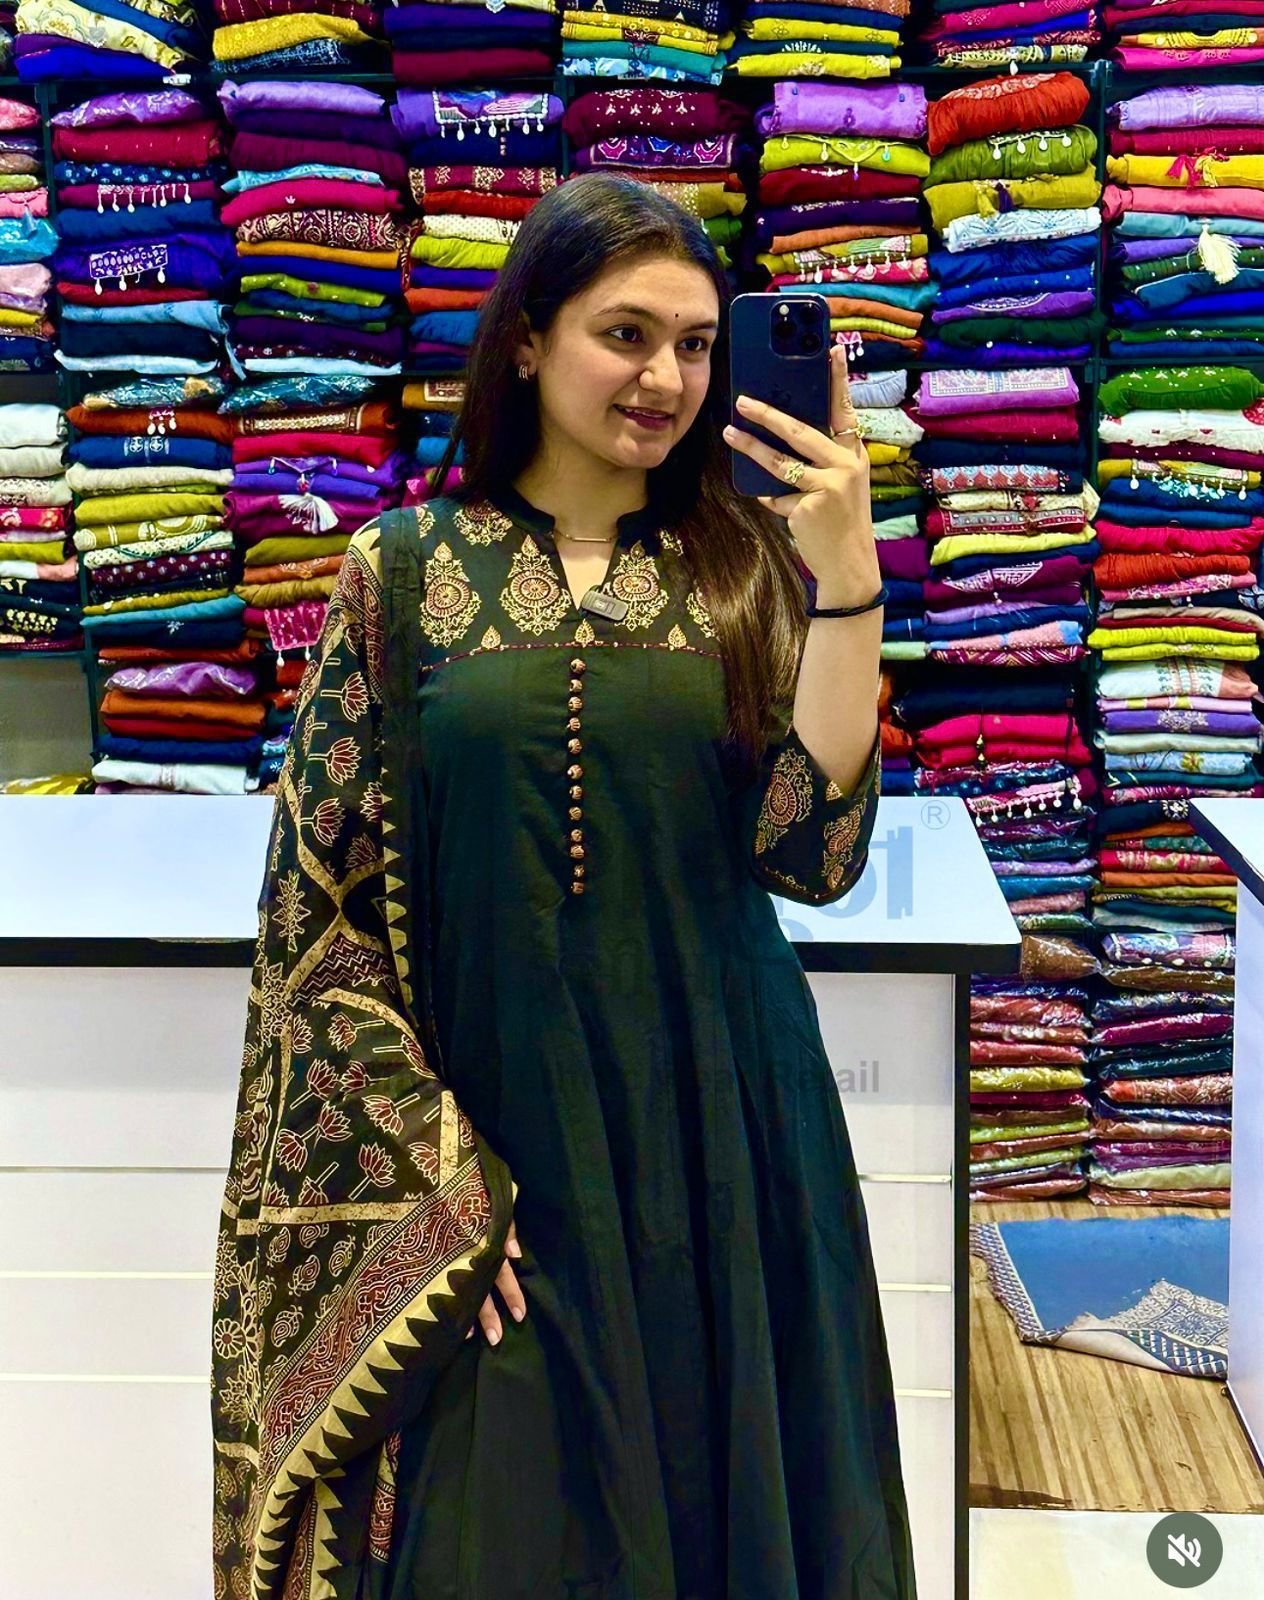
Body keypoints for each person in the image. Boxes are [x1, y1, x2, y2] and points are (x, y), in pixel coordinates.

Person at [211, 171, 915, 1600]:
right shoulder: (402, 572)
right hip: (492, 1145)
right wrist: (434, 1186)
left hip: (723, 1144)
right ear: (529, 339)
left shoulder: (742, 570)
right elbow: (316, 913)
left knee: (727, 1514)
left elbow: (814, 856)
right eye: (625, 334)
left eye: (697, 345)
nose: (666, 380)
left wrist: (848, 583)